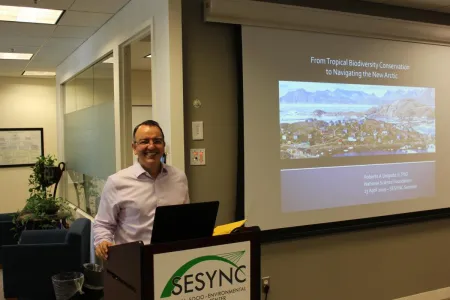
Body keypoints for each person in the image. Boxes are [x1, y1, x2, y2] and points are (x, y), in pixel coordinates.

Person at [93, 120, 189, 260]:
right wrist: (102, 242)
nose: (151, 146)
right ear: (134, 147)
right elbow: (103, 224)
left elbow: (185, 219)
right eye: (144, 141)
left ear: (163, 146)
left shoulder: (179, 177)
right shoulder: (117, 182)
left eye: (157, 141)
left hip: (172, 259)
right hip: (133, 260)